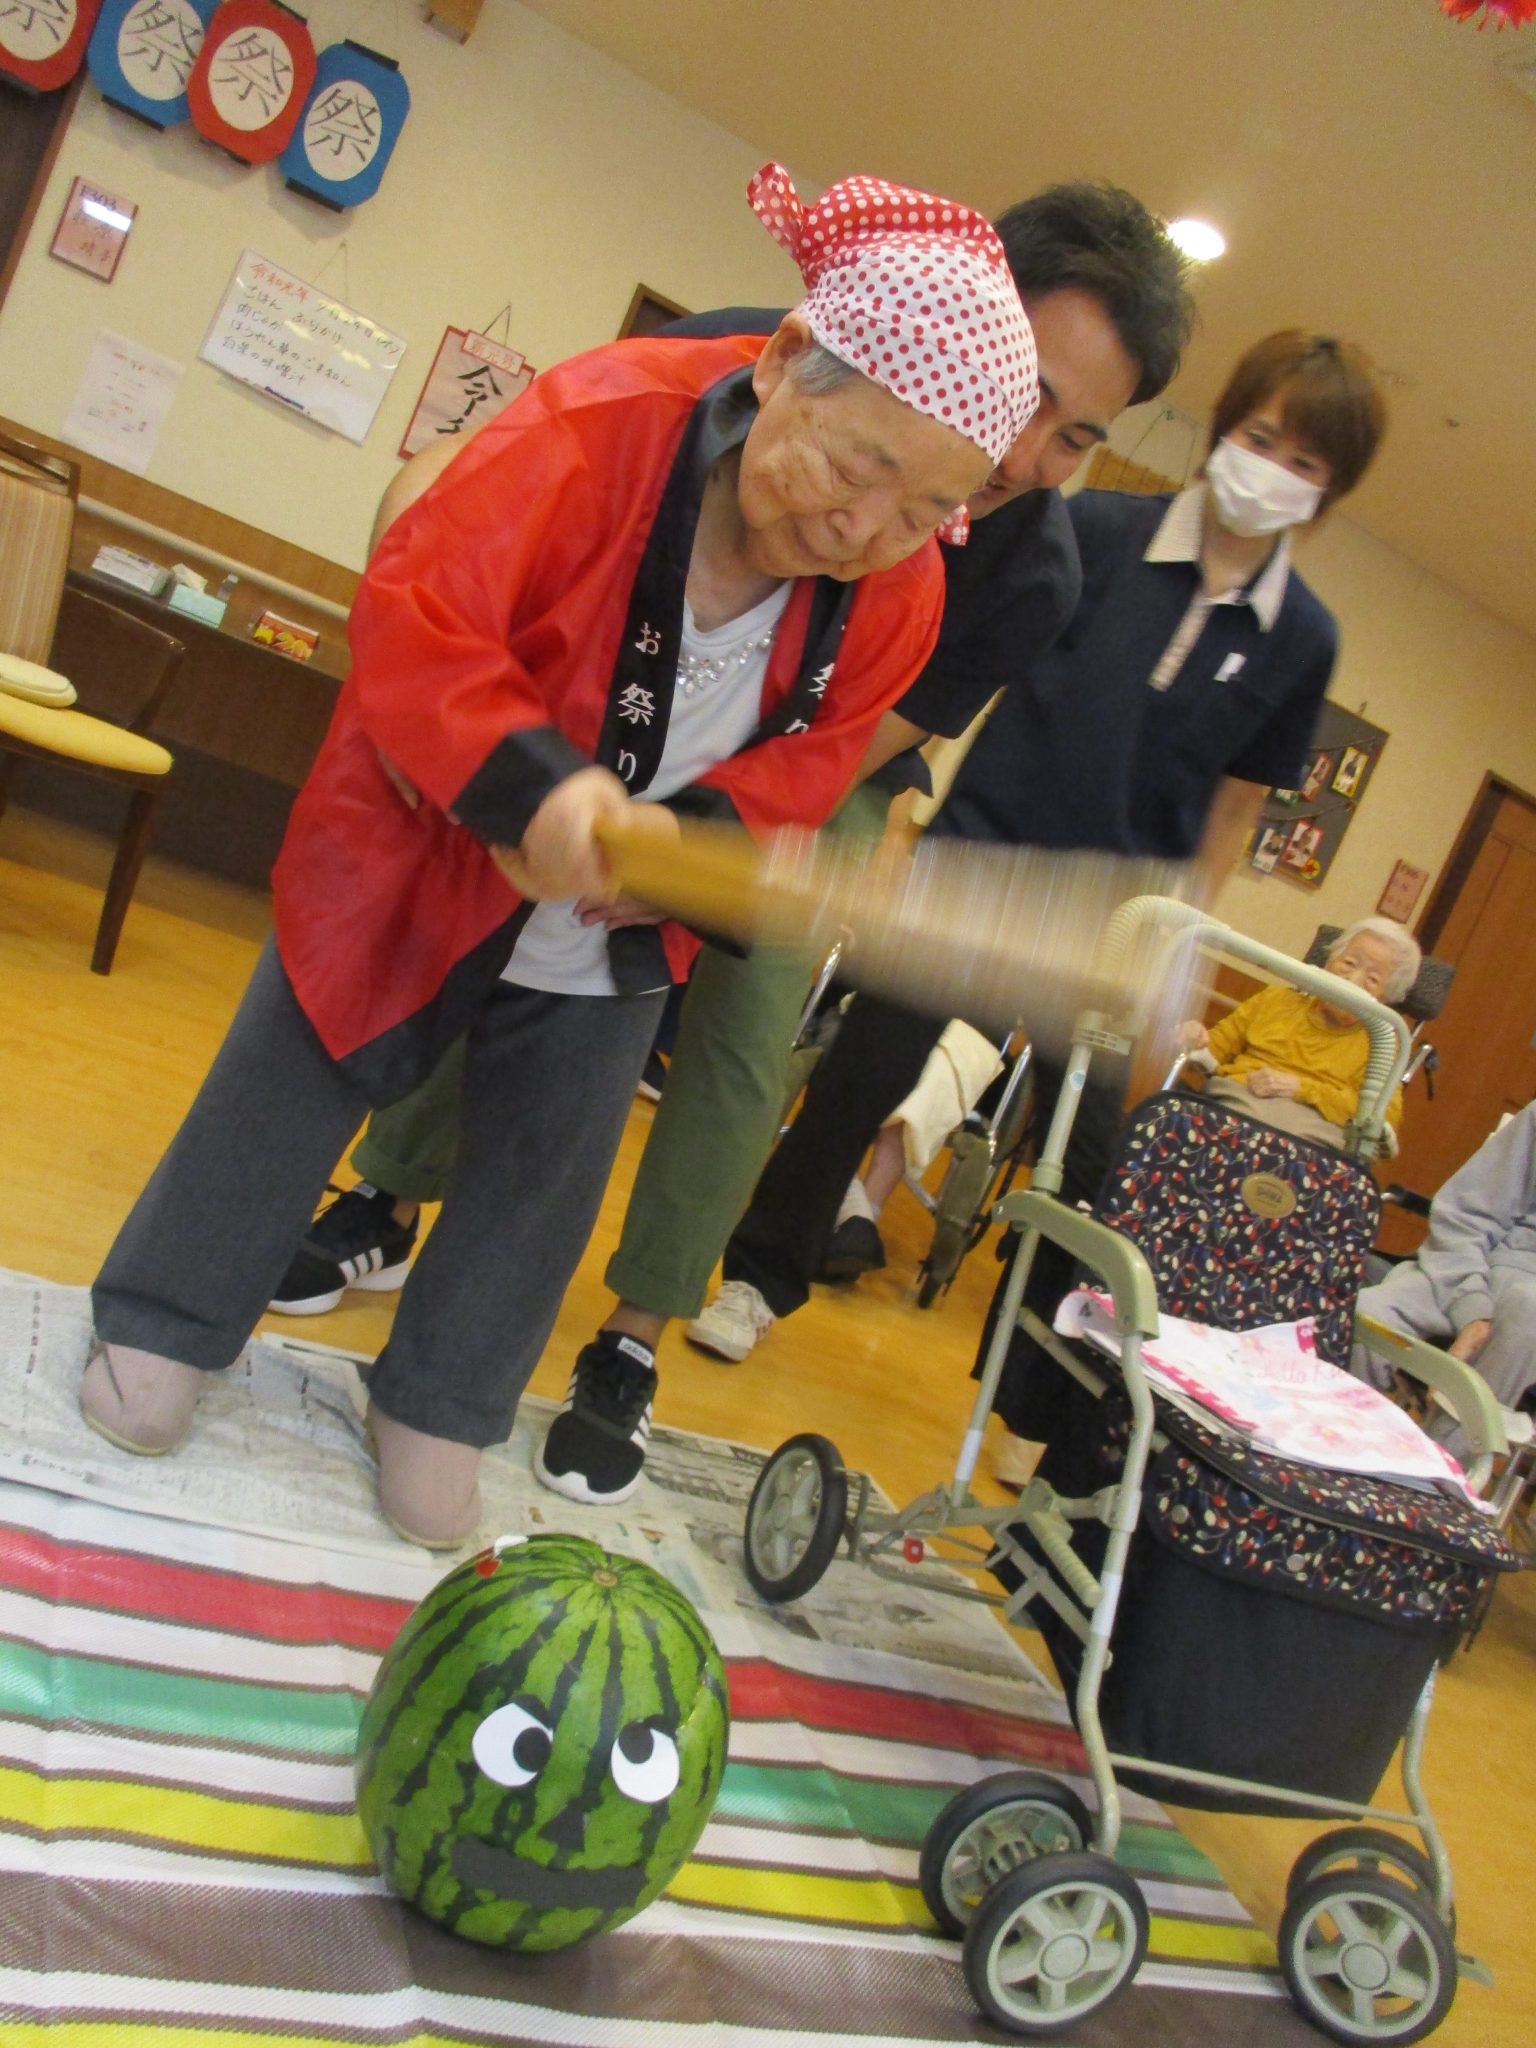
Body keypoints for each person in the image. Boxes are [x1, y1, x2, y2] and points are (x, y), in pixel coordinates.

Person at [80, 161, 1041, 1548]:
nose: (864, 531)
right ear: (784, 360)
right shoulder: (597, 422)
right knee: (293, 1072)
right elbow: (423, 605)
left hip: (619, 920)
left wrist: (685, 847)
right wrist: (531, 789)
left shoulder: (903, 591)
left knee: (545, 1169)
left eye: (921, 511)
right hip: (428, 833)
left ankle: (443, 1400)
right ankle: (167, 1318)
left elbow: (815, 763)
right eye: (854, 469)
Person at [265, 181, 1197, 1506]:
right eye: (1030, 390)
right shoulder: (759, 347)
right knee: (499, 909)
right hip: (605, 686)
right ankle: (390, 1197)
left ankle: (635, 1337)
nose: (1024, 447)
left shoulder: (1034, 572)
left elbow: (849, 745)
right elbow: (483, 503)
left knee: (748, 1017)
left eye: (1077, 437)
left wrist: (690, 842)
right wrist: (546, 790)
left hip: (816, 752)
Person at [693, 330, 1391, 1424]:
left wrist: (1181, 949)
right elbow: (960, 667)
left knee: (1097, 1166)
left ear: (1330, 492)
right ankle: (756, 1277)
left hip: (1121, 924)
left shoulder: (1303, 636)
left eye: (1303, 462)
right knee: (859, 1078)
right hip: (979, 862)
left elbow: (1237, 808)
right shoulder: (1093, 532)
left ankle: (1032, 1401)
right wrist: (903, 825)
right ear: (1223, 431)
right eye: (1260, 439)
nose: (1271, 471)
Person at [1354, 1101, 1536, 1428]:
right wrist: (1472, 1307)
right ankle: (1325, 1440)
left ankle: (1444, 1461)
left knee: (1528, 1312)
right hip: (1482, 1263)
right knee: (1367, 1313)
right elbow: (1467, 1216)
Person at [1178, 915, 1420, 1149]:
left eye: (1372, 979)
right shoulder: (1275, 1000)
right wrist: (1195, 1038)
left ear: (1386, 997)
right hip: (1235, 1102)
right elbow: (1213, 1048)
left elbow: (1383, 1118)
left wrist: (1301, 1089)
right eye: (1349, 963)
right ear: (1329, 962)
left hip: (1309, 1138)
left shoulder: (1382, 1044)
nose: (1353, 979)